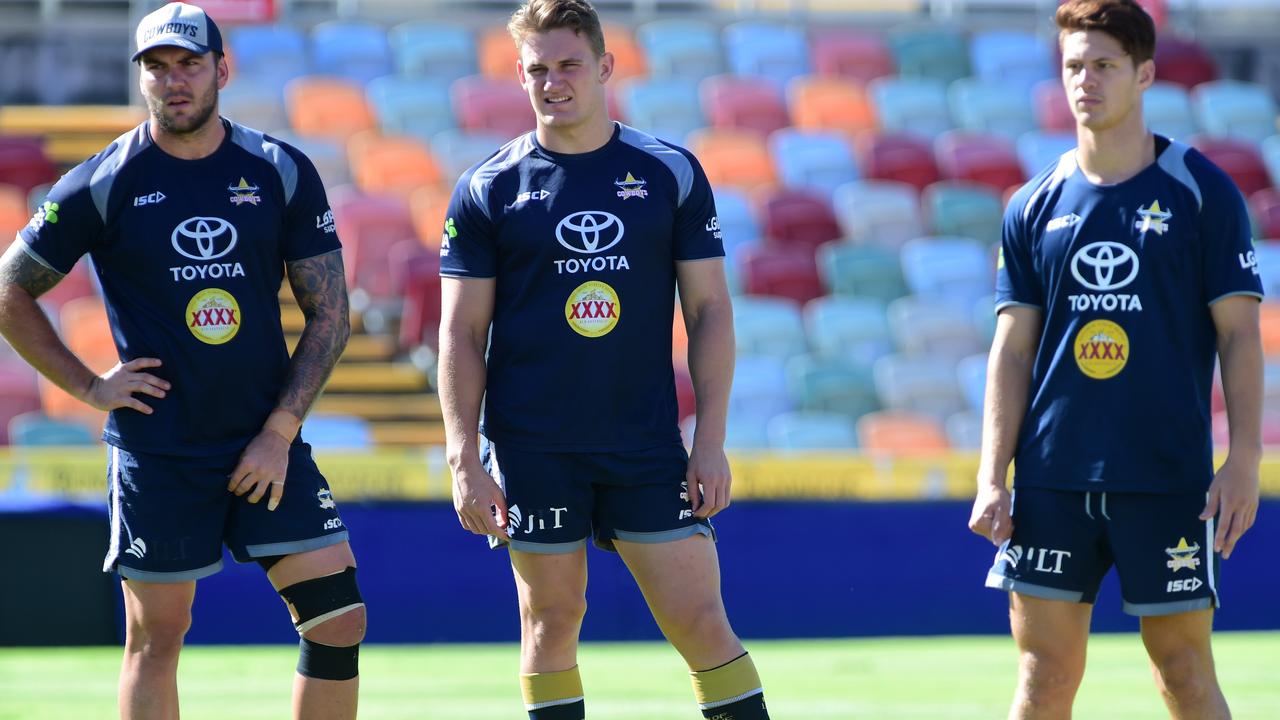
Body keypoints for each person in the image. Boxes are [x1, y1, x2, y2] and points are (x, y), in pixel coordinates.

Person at [0, 4, 365, 718]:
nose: (173, 82)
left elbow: (332, 315)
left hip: (266, 439)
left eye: (189, 64)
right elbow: (10, 289)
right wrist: (88, 385)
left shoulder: (279, 169)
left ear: (221, 70)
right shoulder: (101, 181)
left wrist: (279, 432)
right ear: (140, 79)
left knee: (338, 617)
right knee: (157, 638)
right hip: (158, 450)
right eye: (157, 68)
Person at [437, 1, 769, 718]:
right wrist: (464, 457)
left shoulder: (668, 171)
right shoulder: (488, 187)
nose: (552, 83)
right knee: (550, 625)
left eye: (568, 66)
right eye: (536, 70)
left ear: (605, 68)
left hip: (645, 444)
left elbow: (710, 310)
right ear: (519, 77)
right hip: (534, 448)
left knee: (701, 625)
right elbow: (461, 334)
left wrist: (707, 441)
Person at [968, 1, 1263, 718]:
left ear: (1145, 74)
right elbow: (1012, 349)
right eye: (1074, 65)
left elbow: (1239, 336)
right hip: (1051, 481)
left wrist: (1245, 459)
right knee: (1042, 680)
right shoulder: (1032, 204)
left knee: (1185, 674)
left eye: (1104, 65)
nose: (1086, 80)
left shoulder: (1202, 193)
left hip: (1166, 480)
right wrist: (991, 474)